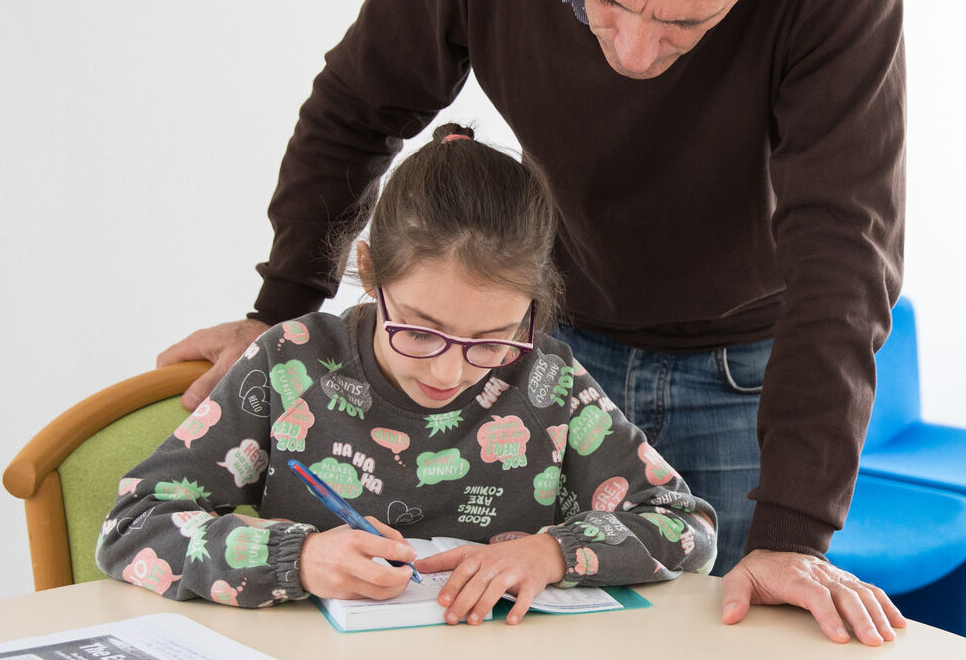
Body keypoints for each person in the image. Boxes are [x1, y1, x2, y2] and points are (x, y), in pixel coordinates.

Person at [155, 0, 907, 647]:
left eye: (685, 24)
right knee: (531, 649)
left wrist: (792, 532)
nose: (633, 53)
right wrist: (283, 311)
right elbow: (358, 109)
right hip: (542, 353)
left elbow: (845, 249)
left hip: (742, 369)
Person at [99, 126, 716, 621]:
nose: (450, 370)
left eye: (492, 338)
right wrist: (300, 557)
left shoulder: (545, 381)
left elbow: (686, 526)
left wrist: (553, 552)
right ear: (370, 274)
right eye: (420, 331)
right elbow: (132, 527)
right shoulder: (290, 363)